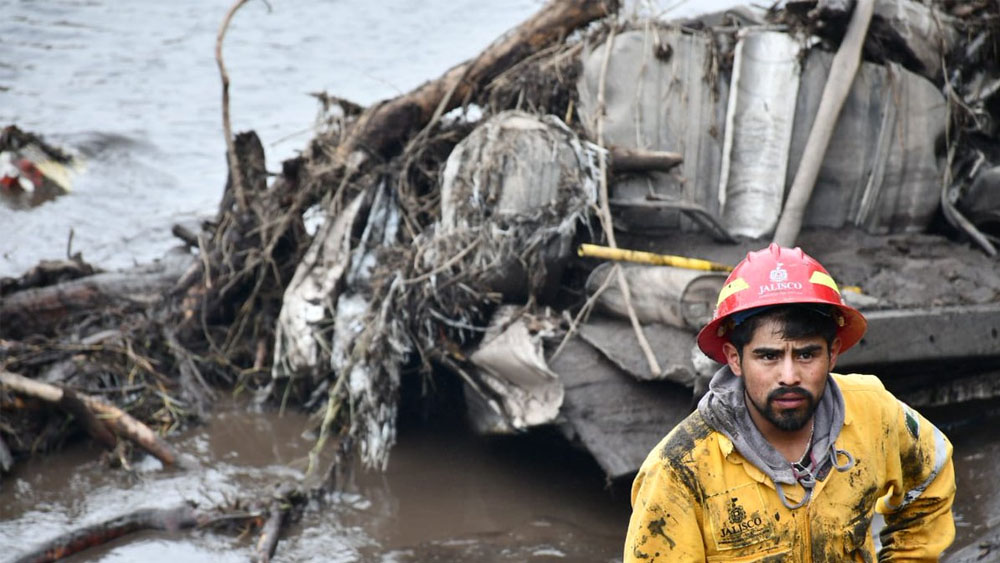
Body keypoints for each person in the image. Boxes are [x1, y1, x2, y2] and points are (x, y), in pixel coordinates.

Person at [624, 244, 955, 562]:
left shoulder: (875, 412)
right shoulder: (680, 469)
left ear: (833, 353)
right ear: (735, 360)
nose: (789, 376)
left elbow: (932, 472)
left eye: (807, 354)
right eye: (768, 356)